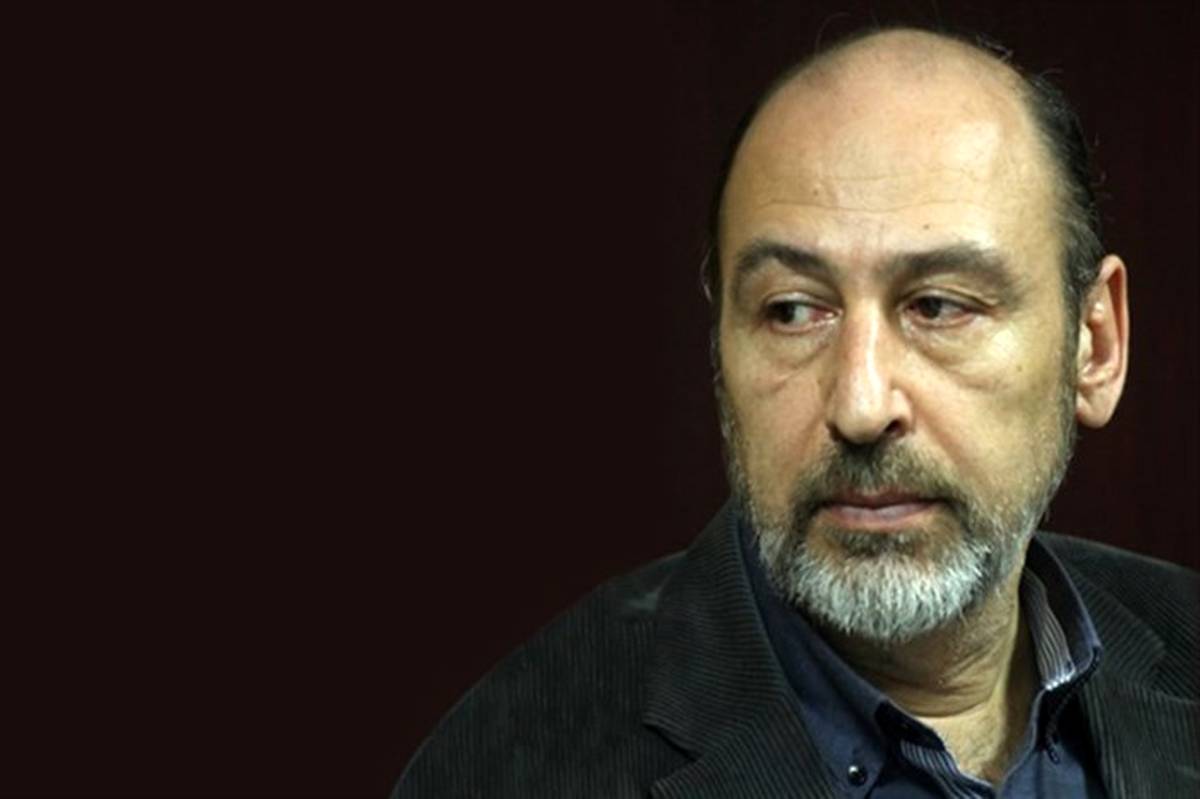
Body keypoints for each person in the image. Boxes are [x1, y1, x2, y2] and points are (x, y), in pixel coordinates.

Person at [396, 25, 1198, 798]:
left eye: (939, 305)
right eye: (791, 311)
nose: (860, 404)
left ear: (1095, 345)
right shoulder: (512, 766)